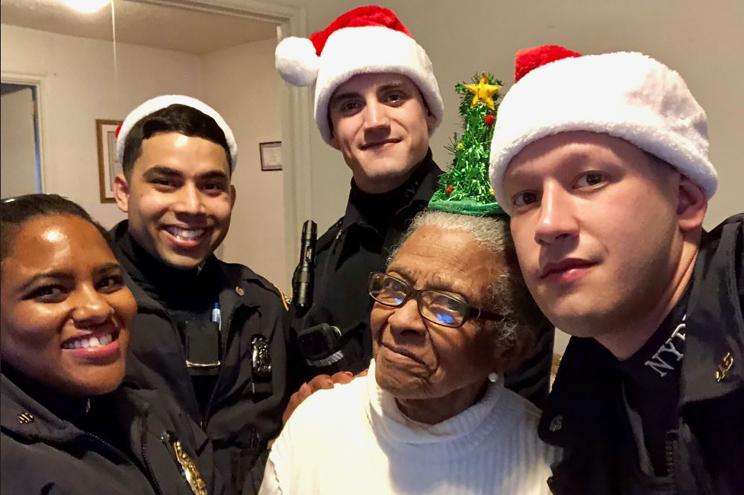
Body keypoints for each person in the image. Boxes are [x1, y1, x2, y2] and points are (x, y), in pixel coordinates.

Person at [488, 44, 744, 494]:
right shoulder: (585, 407)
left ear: (685, 199)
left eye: (590, 179)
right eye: (525, 198)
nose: (548, 224)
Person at [275, 4, 553, 409]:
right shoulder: (321, 260)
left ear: (428, 112)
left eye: (393, 97)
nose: (374, 122)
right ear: (333, 132)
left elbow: (522, 402)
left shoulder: (497, 235)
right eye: (350, 105)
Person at [259, 210, 560, 495]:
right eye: (394, 287)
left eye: (447, 304)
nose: (401, 320)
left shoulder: (547, 460)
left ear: (508, 347)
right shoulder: (314, 425)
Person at [112, 95, 289, 493]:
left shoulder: (260, 306)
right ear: (123, 191)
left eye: (211, 186)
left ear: (231, 196)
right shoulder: (85, 308)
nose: (192, 206)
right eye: (165, 182)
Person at [1, 194, 221, 495]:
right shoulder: (13, 463)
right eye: (51, 290)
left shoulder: (154, 411)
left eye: (108, 282)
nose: (98, 308)